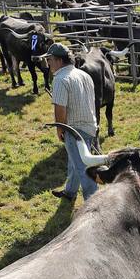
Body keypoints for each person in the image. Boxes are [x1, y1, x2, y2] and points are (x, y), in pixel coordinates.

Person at [47, 43, 99, 202]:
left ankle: (94, 205)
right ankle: (70, 191)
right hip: (90, 126)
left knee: (83, 168)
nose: (48, 63)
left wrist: (60, 129)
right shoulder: (83, 75)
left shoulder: (60, 79)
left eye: (49, 59)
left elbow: (60, 109)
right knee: (75, 160)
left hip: (75, 129)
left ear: (58, 60)